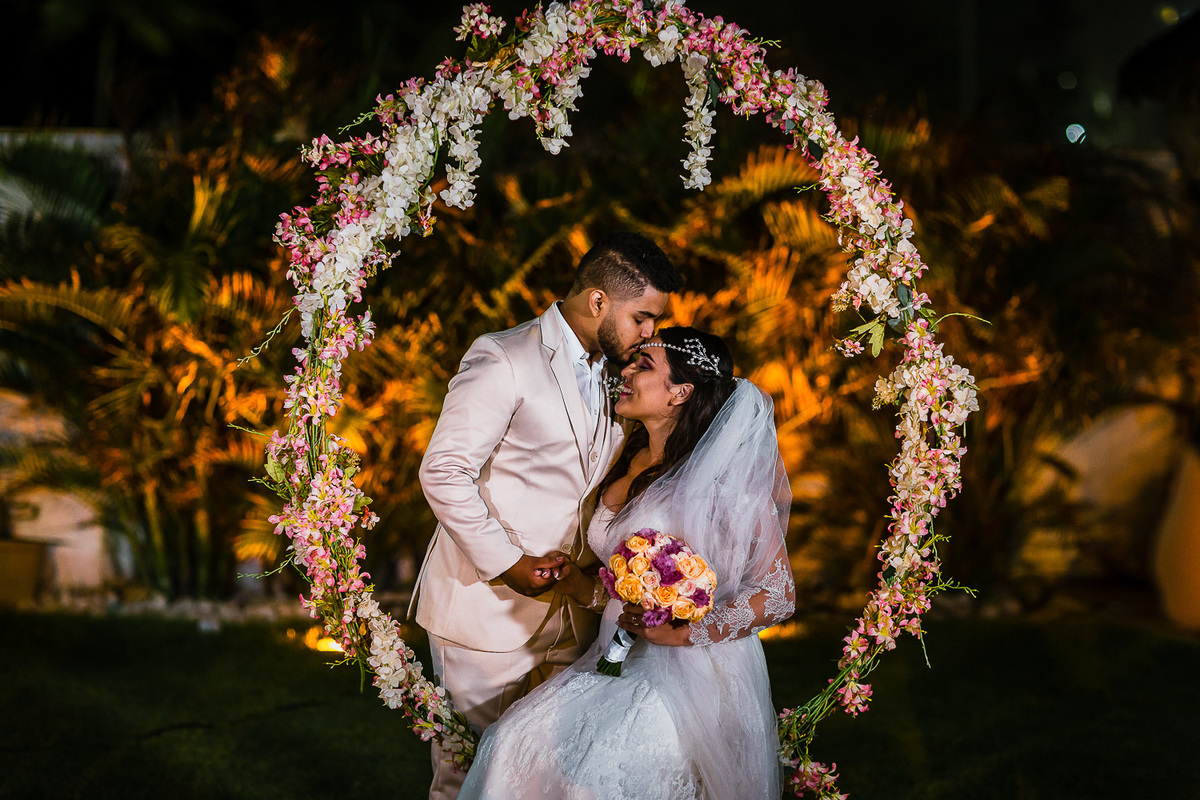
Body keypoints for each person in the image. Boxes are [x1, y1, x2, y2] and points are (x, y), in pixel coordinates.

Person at [458, 327, 796, 800]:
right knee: (513, 743)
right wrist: (577, 584)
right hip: (615, 656)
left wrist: (683, 630)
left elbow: (779, 594)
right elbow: (624, 593)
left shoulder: (723, 484)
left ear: (680, 392)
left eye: (645, 366)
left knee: (601, 772)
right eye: (632, 362)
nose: (627, 372)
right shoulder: (627, 455)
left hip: (690, 671)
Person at [414, 232, 684, 800]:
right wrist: (508, 562)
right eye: (643, 317)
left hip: (574, 612)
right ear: (598, 302)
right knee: (467, 772)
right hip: (487, 614)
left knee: (551, 778)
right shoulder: (504, 356)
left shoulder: (616, 371)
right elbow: (443, 471)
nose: (649, 333)